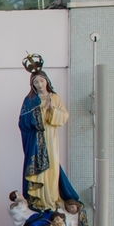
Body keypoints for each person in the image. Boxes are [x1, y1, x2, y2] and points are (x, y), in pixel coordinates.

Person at [18, 62, 79, 212]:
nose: (39, 84)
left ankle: (51, 201)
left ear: (47, 81)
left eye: (41, 81)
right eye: (36, 82)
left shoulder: (54, 98)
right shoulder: (30, 100)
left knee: (52, 167)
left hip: (50, 138)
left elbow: (64, 116)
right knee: (38, 170)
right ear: (32, 84)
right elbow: (23, 121)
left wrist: (51, 111)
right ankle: (38, 200)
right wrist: (39, 112)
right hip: (35, 140)